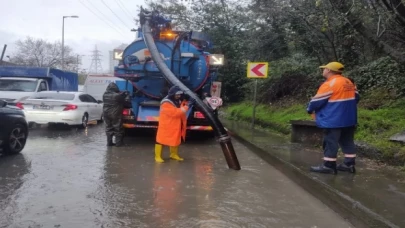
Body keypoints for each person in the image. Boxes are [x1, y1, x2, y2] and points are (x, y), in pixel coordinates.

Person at [306, 62, 360, 174]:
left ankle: (329, 165)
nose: (323, 71)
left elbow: (316, 102)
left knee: (330, 141)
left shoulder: (329, 84)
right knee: (347, 141)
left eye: (324, 69)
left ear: (329, 70)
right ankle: (349, 164)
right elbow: (357, 97)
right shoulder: (348, 82)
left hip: (333, 119)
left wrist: (310, 110)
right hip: (349, 119)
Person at [154, 85, 195, 163]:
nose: (179, 96)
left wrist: (187, 100)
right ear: (172, 94)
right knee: (160, 140)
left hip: (175, 125)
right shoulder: (166, 103)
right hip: (166, 125)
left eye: (180, 95)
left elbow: (180, 107)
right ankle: (157, 156)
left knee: (175, 139)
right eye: (177, 95)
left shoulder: (176, 100)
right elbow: (176, 113)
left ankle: (173, 155)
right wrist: (187, 106)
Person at [102, 82, 129, 147]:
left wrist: (121, 94)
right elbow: (123, 100)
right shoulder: (116, 95)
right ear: (115, 88)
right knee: (117, 128)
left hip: (106, 113)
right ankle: (118, 144)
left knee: (108, 128)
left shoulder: (104, 95)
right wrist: (125, 94)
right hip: (115, 114)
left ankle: (109, 143)